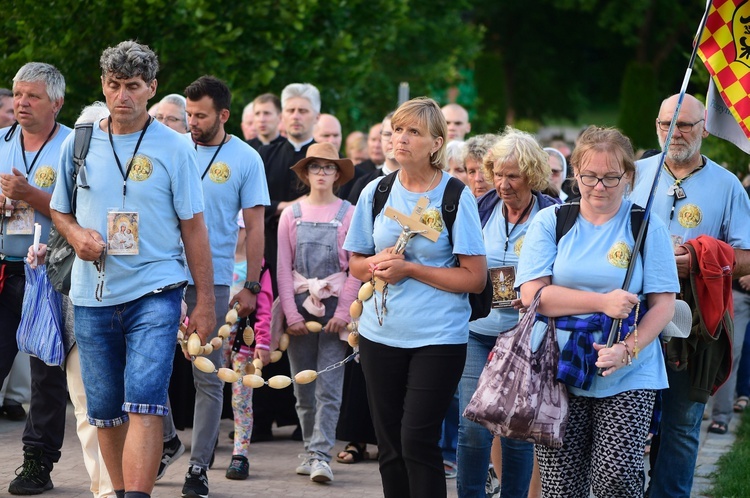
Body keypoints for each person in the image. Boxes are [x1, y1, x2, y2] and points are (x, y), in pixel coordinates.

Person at [50, 40, 216, 498]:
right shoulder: (78, 141)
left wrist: (203, 301)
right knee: (104, 410)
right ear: (103, 84)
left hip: (156, 289)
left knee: (143, 400)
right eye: (114, 84)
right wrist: (76, 235)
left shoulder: (175, 147)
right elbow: (60, 211)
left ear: (152, 88)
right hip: (92, 294)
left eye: (134, 86)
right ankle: (122, 492)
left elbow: (195, 228)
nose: (122, 95)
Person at [515, 126, 678, 497]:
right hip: (558, 368)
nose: (599, 186)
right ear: (575, 174)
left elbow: (663, 304)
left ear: (629, 178)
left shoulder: (644, 226)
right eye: (589, 176)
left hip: (629, 372)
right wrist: (602, 302)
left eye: (610, 177)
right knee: (560, 483)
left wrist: (627, 348)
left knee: (616, 479)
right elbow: (533, 295)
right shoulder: (552, 221)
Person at [343, 97, 487, 497]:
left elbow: (475, 279)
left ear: (436, 143)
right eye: (397, 130)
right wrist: (376, 264)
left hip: (438, 338)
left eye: (413, 132)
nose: (400, 139)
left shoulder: (456, 195)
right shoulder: (376, 191)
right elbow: (354, 263)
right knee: (389, 448)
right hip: (380, 334)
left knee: (417, 442)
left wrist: (411, 269)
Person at [629, 94, 750, 498]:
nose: (674, 133)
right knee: (627, 419)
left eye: (685, 125)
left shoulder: (727, 184)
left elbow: (747, 255)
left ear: (704, 128)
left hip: (693, 316)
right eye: (667, 125)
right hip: (631, 313)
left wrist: (701, 258)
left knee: (681, 422)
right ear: (656, 125)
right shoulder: (632, 175)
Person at [160, 74, 269, 497]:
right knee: (150, 368)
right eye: (188, 114)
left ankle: (198, 467)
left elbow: (256, 227)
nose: (192, 122)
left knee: (208, 377)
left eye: (200, 115)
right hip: (163, 278)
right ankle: (169, 439)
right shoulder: (172, 148)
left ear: (223, 115)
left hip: (216, 281)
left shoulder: (245, 158)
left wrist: (253, 285)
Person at [457, 127, 560, 497]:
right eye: (497, 173)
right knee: (472, 426)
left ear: (532, 175)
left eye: (512, 175)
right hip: (477, 332)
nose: (501, 183)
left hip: (525, 337)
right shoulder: (479, 206)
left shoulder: (553, 214)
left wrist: (534, 293)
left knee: (517, 428)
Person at [0, 62, 71, 496]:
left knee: (46, 373)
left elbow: (80, 211)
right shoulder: (1, 142)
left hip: (48, 273)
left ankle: (37, 463)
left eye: (33, 96)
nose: (21, 103)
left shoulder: (72, 147)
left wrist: (31, 196)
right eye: (18, 95)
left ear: (57, 102)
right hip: (4, 268)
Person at [277, 142, 359, 483]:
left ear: (337, 174)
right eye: (316, 167)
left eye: (329, 167)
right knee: (303, 388)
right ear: (306, 173)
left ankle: (321, 454)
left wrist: (344, 310)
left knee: (329, 386)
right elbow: (282, 268)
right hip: (300, 307)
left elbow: (355, 268)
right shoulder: (290, 214)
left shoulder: (349, 213)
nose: (322, 173)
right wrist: (291, 317)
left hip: (335, 310)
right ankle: (310, 448)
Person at [346, 112, 398, 205]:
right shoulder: (364, 183)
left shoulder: (423, 183)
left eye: (397, 133)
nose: (391, 140)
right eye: (387, 134)